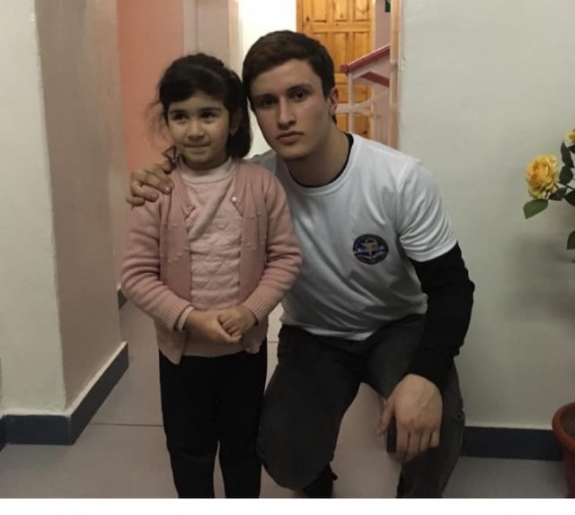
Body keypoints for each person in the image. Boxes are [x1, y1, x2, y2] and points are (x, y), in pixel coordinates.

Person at [127, 31, 475, 499]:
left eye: (299, 95)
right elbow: (197, 176)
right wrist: (154, 175)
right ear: (250, 115)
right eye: (267, 102)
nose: (285, 117)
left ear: (331, 99)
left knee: (437, 420)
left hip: (397, 327)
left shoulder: (399, 180)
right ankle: (317, 487)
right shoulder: (254, 182)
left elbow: (452, 288)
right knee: (281, 449)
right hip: (315, 335)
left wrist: (425, 376)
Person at [120, 53, 301, 499]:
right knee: (189, 449)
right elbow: (136, 275)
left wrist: (251, 311)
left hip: (244, 351)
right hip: (182, 355)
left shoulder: (262, 186)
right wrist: (190, 319)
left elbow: (285, 259)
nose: (195, 130)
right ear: (167, 121)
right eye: (180, 116)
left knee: (242, 445)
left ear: (234, 119)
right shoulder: (157, 192)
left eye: (208, 114)